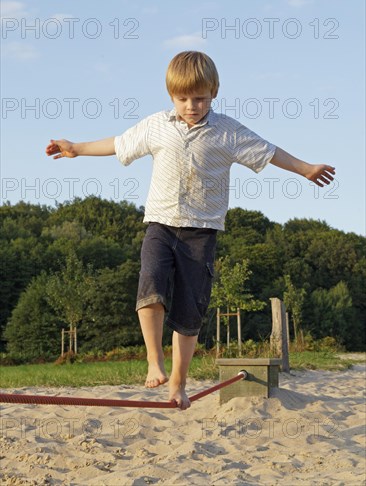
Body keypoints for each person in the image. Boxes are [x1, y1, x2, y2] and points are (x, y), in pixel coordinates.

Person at [45, 51, 335, 410]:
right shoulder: (156, 126)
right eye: (183, 99)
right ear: (171, 96)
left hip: (201, 232)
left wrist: (305, 168)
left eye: (199, 98)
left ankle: (179, 383)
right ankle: (154, 359)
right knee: (150, 281)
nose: (191, 105)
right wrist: (77, 148)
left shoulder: (227, 131)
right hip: (160, 224)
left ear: (214, 92)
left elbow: (269, 152)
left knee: (190, 309)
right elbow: (120, 144)